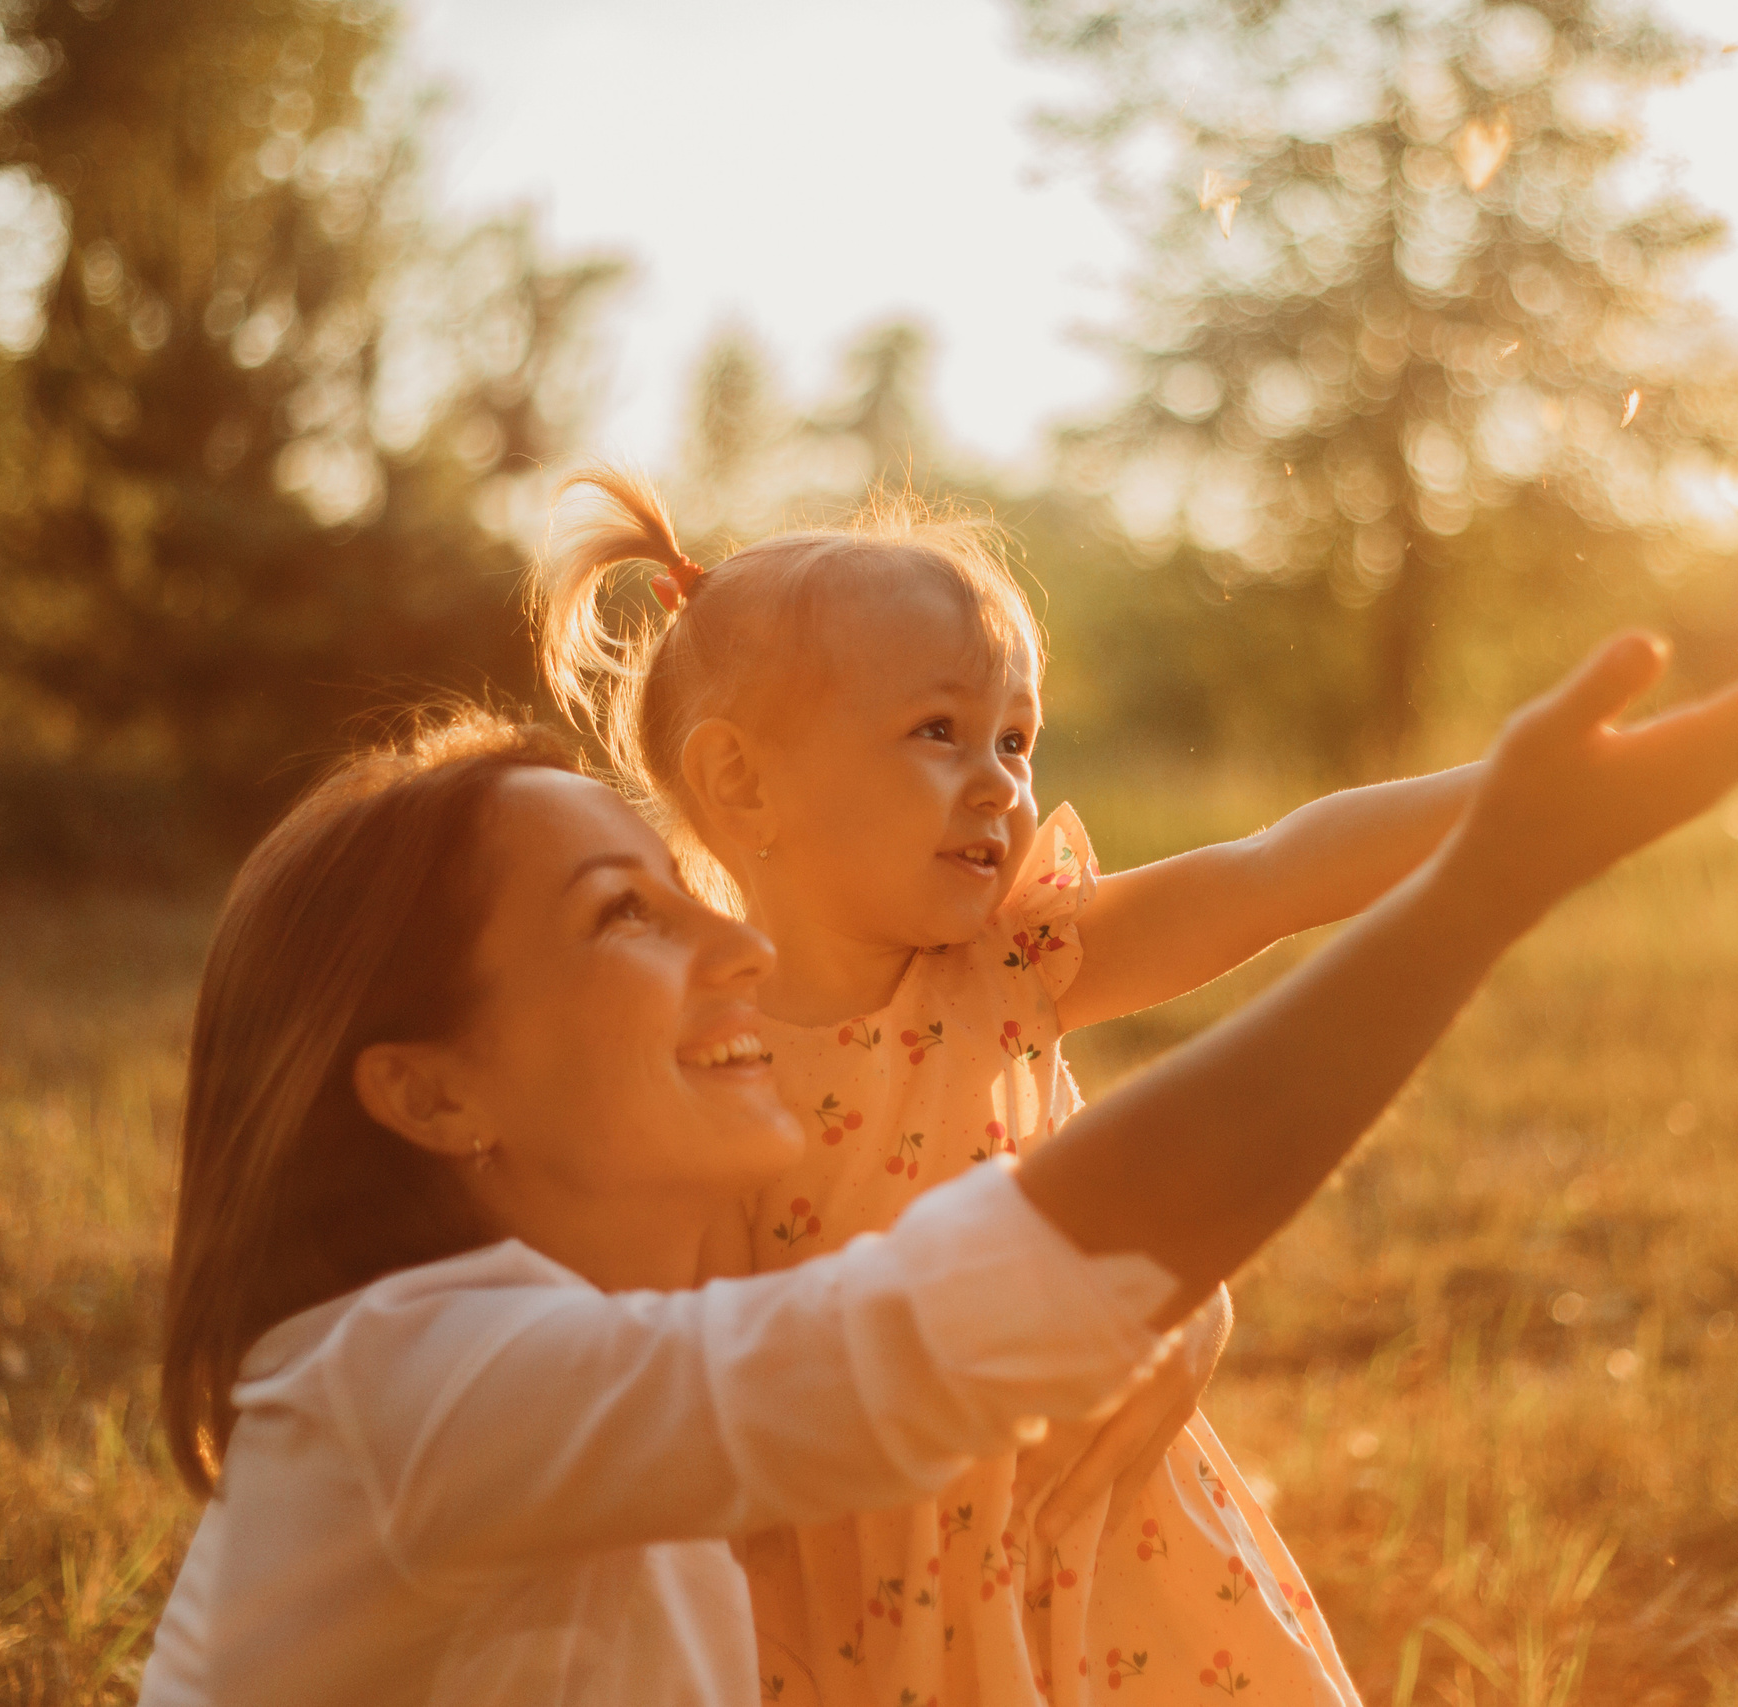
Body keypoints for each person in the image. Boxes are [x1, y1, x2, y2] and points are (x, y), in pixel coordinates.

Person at [138, 595, 1738, 1705]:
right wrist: (1488, 882)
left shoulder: (575, 1380)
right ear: (434, 1092)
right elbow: (907, 1338)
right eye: (631, 914)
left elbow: (968, 1286)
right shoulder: (417, 1386)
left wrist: (1168, 1309)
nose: (740, 947)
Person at [529, 475, 1511, 1703]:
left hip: (1104, 1544)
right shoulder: (695, 1061)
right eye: (937, 731)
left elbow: (1273, 874)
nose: (998, 782)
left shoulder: (1013, 964)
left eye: (1016, 739)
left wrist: (1515, 797)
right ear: (740, 785)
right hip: (849, 1608)